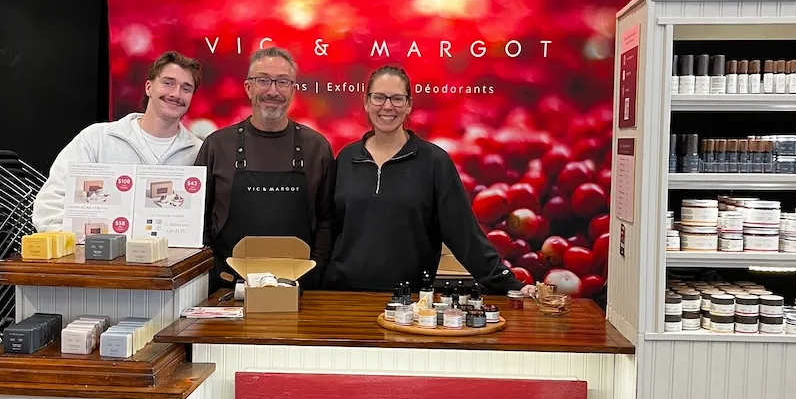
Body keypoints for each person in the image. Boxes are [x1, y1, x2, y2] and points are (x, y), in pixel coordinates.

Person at [324, 64, 517, 294]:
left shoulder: (434, 161)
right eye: (379, 98)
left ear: (409, 105)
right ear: (366, 102)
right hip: (343, 295)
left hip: (409, 301)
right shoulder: (346, 157)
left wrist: (507, 283)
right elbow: (329, 228)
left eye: (397, 99)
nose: (387, 106)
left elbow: (463, 234)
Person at [196, 46, 335, 280]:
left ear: (293, 90)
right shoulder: (216, 145)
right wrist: (214, 271)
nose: (273, 91)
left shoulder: (317, 148)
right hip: (227, 286)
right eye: (263, 81)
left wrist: (314, 271)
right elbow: (199, 217)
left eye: (282, 82)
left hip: (300, 285)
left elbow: (327, 220)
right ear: (248, 88)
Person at [33, 51, 203, 232]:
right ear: (148, 87)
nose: (176, 93)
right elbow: (51, 203)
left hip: (174, 259)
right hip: (94, 256)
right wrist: (75, 247)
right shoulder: (97, 139)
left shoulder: (199, 151)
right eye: (168, 83)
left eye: (186, 88)